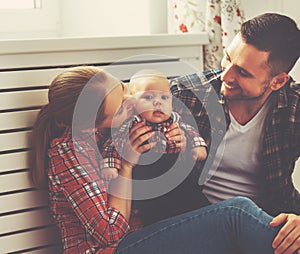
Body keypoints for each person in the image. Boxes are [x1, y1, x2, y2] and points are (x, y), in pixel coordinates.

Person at [31, 65, 292, 254]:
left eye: (123, 91)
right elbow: (109, 233)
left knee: (237, 231)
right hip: (110, 249)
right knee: (235, 212)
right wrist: (128, 166)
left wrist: (183, 142)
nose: (131, 101)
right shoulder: (69, 154)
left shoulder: (117, 128)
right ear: (89, 124)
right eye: (120, 106)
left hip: (145, 236)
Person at [170, 12, 300, 253]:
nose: (225, 75)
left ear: (278, 81)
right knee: (237, 209)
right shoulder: (188, 95)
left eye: (242, 72)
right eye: (227, 59)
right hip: (196, 220)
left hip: (266, 221)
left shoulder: (294, 107)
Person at [100, 69, 208, 225]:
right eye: (148, 97)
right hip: (149, 190)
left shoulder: (175, 121)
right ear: (132, 102)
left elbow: (191, 132)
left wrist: (197, 147)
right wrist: (110, 165)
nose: (158, 102)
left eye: (164, 97)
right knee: (160, 213)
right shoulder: (129, 126)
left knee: (196, 203)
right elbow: (113, 144)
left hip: (180, 183)